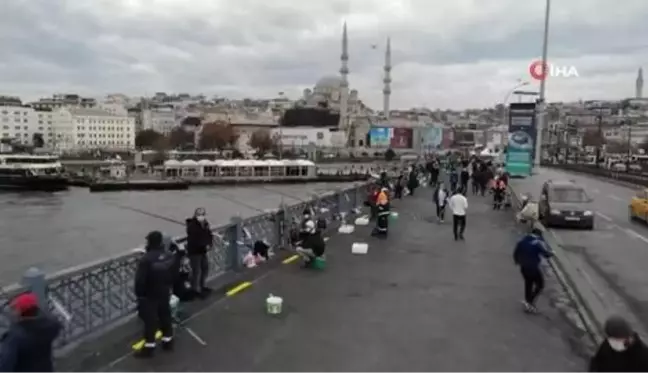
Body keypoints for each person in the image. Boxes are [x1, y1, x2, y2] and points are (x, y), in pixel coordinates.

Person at [134, 231, 177, 358]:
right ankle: (168, 341)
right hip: (164, 291)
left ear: (149, 242)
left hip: (149, 294)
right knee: (165, 316)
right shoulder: (169, 255)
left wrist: (140, 295)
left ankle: (149, 347)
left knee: (150, 321)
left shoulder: (146, 259)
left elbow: (140, 280)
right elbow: (174, 273)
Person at [0, 292, 61, 373]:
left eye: (14, 309)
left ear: (20, 312)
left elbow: (5, 365)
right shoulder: (50, 327)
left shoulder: (15, 338)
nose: (11, 312)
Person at [513, 228, 552, 313]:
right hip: (533, 267)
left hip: (524, 267)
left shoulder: (522, 241)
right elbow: (546, 254)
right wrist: (552, 253)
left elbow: (516, 253)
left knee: (528, 283)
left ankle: (527, 301)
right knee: (540, 285)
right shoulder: (537, 242)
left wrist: (517, 261)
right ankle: (530, 302)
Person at [185, 208, 213, 298]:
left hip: (202, 251)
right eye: (199, 214)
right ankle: (196, 290)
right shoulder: (192, 226)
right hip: (195, 251)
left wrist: (209, 243)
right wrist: (204, 245)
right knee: (197, 271)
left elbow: (209, 234)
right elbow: (194, 239)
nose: (201, 216)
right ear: (195, 215)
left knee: (205, 268)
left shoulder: (205, 224)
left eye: (202, 214)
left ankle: (202, 286)